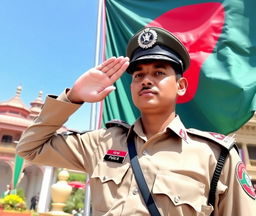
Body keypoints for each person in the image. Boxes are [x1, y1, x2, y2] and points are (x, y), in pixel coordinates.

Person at [16, 27, 256, 216]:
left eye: (159, 72)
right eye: (139, 75)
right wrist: (73, 97)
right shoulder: (101, 142)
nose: (146, 80)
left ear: (181, 86)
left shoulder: (215, 156)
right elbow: (29, 148)